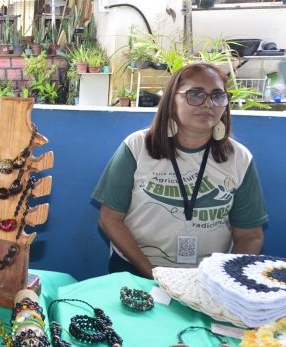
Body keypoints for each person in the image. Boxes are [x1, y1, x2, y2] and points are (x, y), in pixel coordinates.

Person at [93, 63, 267, 278]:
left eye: (217, 96)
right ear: (171, 100)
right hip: (137, 271)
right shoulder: (137, 147)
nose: (208, 104)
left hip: (208, 278)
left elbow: (250, 236)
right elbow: (110, 219)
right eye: (195, 94)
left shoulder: (239, 158)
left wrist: (222, 282)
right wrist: (152, 274)